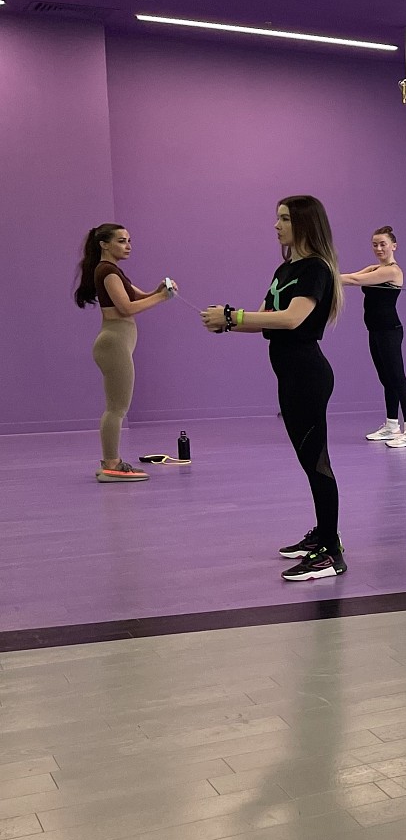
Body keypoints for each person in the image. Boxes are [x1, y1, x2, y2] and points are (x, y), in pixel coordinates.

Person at [201, 196, 350, 582]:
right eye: (278, 218)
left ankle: (330, 551)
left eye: (284, 218)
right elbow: (268, 318)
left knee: (317, 462)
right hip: (291, 376)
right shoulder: (285, 270)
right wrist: (228, 323)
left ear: (304, 223)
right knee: (308, 461)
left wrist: (232, 316)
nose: (276, 225)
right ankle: (324, 533)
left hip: (308, 376)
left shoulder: (315, 268)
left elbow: (292, 318)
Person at [74, 223, 177, 483]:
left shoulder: (113, 271)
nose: (128, 246)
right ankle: (111, 464)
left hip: (117, 343)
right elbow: (126, 308)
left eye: (129, 240)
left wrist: (158, 291)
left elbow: (139, 297)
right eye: (121, 241)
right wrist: (162, 298)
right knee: (117, 408)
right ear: (104, 244)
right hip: (114, 344)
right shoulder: (107, 271)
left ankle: (112, 462)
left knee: (117, 407)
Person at [341, 226, 406, 447]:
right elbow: (351, 276)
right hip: (375, 331)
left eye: (383, 244)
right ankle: (392, 426)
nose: (378, 248)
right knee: (386, 379)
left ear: (394, 246)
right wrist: (328, 275)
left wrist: (322, 277)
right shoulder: (375, 268)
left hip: (389, 330)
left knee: (398, 378)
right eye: (375, 244)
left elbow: (354, 281)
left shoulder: (393, 271)